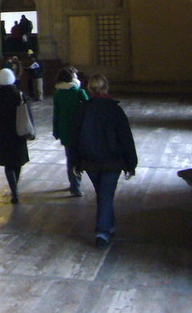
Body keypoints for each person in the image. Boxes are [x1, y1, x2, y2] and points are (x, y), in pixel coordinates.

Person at [70, 74, 138, 248]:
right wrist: (131, 163)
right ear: (106, 88)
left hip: (90, 161)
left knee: (103, 195)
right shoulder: (114, 110)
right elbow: (125, 138)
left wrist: (75, 162)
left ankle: (109, 224)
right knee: (105, 195)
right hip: (112, 161)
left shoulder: (82, 110)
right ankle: (102, 232)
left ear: (89, 90)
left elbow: (74, 139)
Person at [0, 67, 29, 204]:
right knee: (17, 161)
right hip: (19, 132)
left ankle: (14, 191)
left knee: (8, 164)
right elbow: (27, 114)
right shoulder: (19, 94)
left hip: (4, 134)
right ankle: (15, 187)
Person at [52, 67, 88, 196]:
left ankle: (74, 184)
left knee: (71, 159)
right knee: (79, 159)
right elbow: (89, 108)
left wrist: (56, 131)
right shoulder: (79, 92)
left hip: (65, 131)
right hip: (80, 131)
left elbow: (56, 114)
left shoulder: (57, 94)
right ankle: (75, 185)